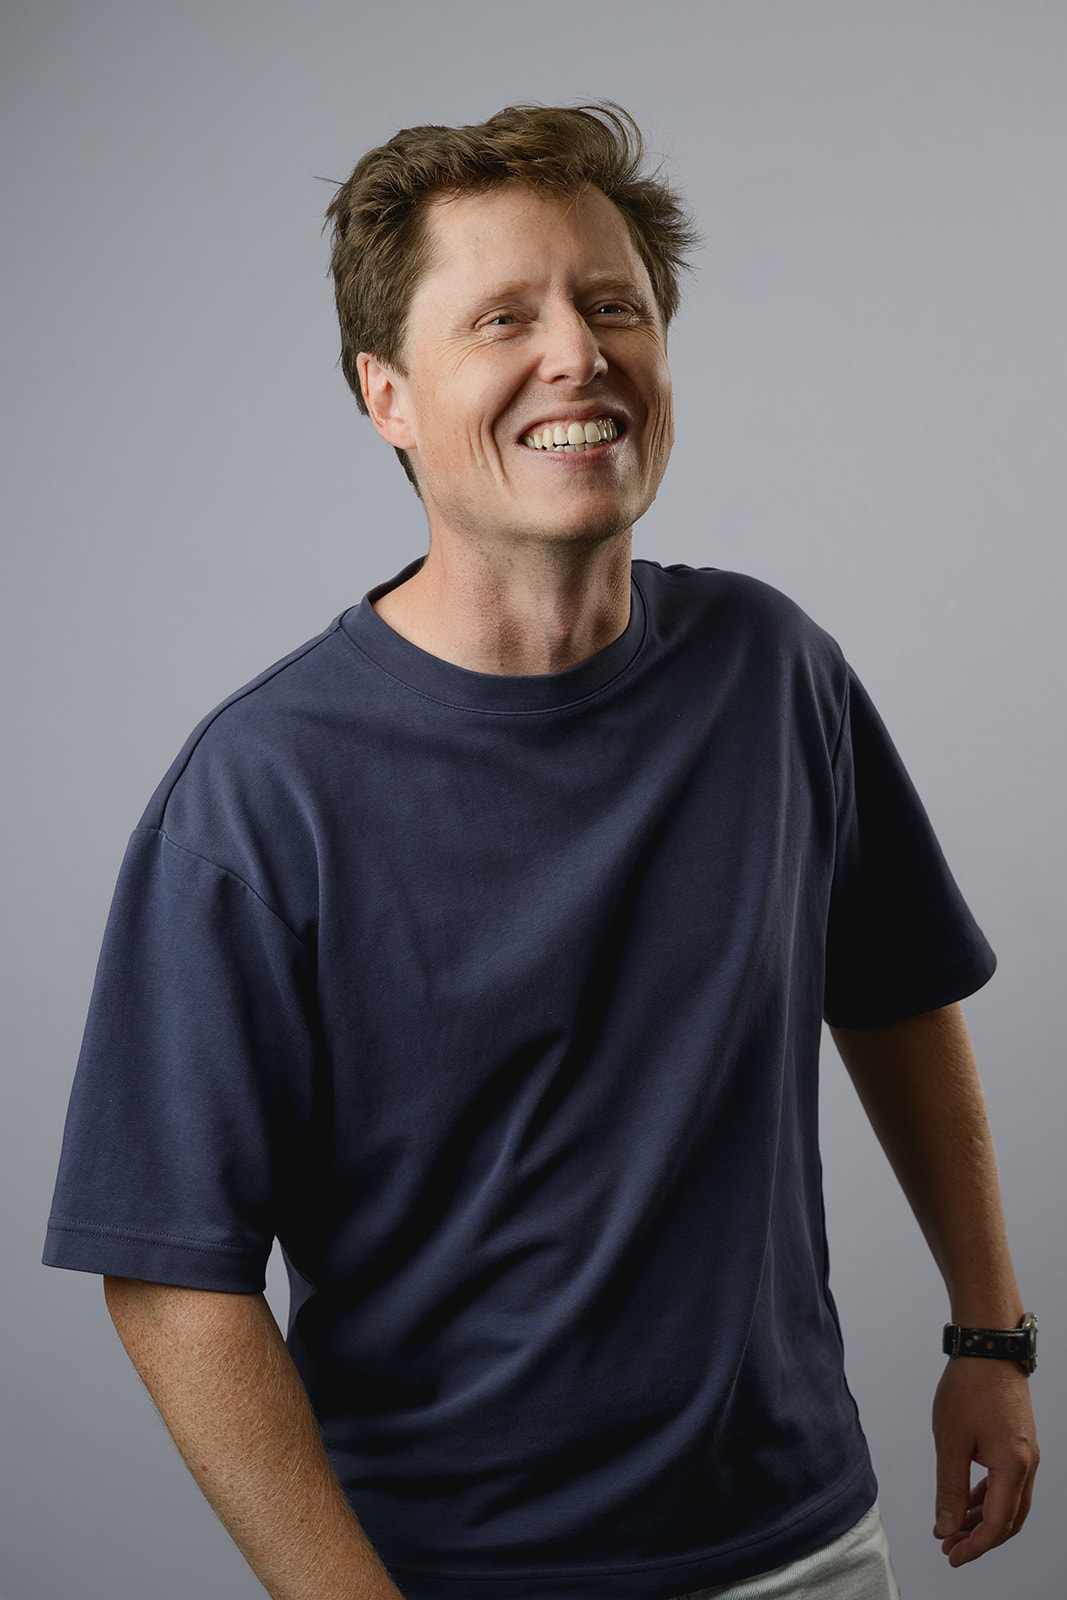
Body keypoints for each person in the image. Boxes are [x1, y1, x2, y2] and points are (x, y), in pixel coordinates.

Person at [44, 104, 1038, 1600]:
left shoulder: (773, 673)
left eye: (613, 304)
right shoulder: (261, 795)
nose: (576, 353)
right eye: (502, 316)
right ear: (386, 394)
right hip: (451, 1577)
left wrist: (989, 1331)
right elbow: (169, 1275)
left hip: (808, 1546)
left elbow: (893, 991)